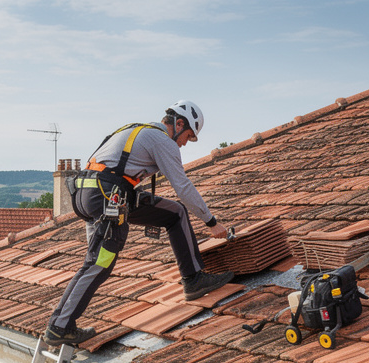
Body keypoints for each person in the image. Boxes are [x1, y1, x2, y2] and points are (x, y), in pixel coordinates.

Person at [45, 100, 234, 347]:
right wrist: (211, 221)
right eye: (188, 135)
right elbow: (183, 186)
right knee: (98, 264)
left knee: (174, 213)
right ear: (178, 124)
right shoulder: (163, 141)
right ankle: (59, 326)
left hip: (90, 193)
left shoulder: (136, 130)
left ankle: (193, 279)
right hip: (107, 197)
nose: (185, 143)